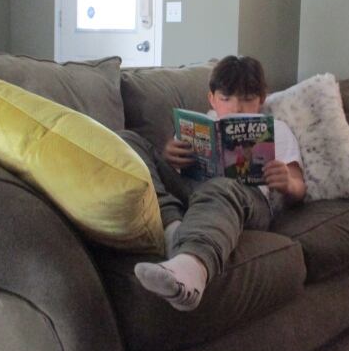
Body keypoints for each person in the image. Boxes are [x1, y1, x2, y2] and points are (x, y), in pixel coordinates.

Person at [120, 55, 306, 311]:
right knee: (129, 141)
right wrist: (169, 157)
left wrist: (288, 182)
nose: (236, 108)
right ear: (211, 98)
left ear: (262, 98)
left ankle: (191, 271)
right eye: (226, 98)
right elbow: (165, 178)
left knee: (223, 183)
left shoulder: (277, 129)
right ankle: (174, 231)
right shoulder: (197, 125)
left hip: (245, 199)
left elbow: (299, 186)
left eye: (247, 98)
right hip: (191, 191)